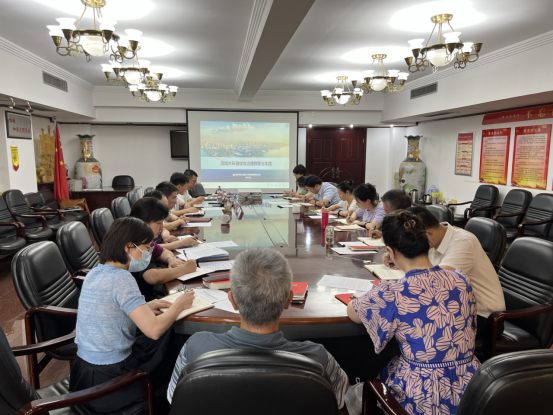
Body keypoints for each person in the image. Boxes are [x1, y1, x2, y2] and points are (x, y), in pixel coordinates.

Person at [167, 248, 349, 410]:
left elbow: (176, 400)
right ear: (288, 300)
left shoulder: (195, 348)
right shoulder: (318, 359)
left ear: (232, 300)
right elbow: (341, 399)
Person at [346, 211, 480, 415]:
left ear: (391, 252)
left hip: (424, 394)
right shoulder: (461, 279)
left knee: (358, 392)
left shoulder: (393, 292)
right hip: (473, 387)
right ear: (427, 242)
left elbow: (353, 312)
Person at [70, 217, 195, 413]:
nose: (148, 254)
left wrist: (144, 306)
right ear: (128, 247)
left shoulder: (96, 272)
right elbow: (154, 330)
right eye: (145, 248)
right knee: (173, 336)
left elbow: (110, 309)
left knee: (167, 334)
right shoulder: (121, 278)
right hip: (111, 382)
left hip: (84, 374)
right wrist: (178, 305)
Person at [398, 206, 506, 339]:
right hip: (455, 308)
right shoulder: (435, 238)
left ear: (428, 234)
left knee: (406, 325)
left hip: (484, 318)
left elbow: (435, 282)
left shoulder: (463, 242)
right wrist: (397, 257)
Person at [129, 197, 198, 301]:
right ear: (143, 222)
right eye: (159, 223)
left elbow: (162, 251)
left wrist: (171, 259)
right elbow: (152, 277)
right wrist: (185, 269)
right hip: (143, 301)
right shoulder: (136, 243)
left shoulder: (143, 237)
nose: (162, 228)